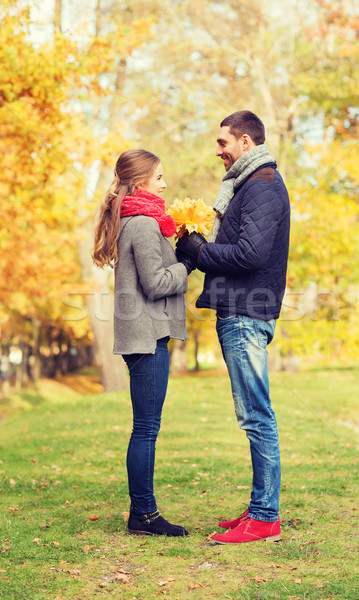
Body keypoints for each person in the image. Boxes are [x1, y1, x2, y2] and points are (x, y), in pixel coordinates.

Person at [176, 110, 290, 544]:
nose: (218, 150)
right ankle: (260, 505)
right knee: (253, 413)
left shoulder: (261, 187)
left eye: (224, 142)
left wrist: (200, 252)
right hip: (240, 312)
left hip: (246, 315)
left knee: (256, 415)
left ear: (246, 142)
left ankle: (264, 517)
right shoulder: (249, 185)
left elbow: (249, 255)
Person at [92, 149, 195, 537]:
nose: (165, 184)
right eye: (158, 178)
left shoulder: (135, 221)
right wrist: (186, 262)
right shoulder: (143, 225)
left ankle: (143, 513)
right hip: (148, 336)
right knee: (147, 428)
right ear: (140, 184)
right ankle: (145, 516)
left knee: (145, 426)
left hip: (142, 335)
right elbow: (156, 284)